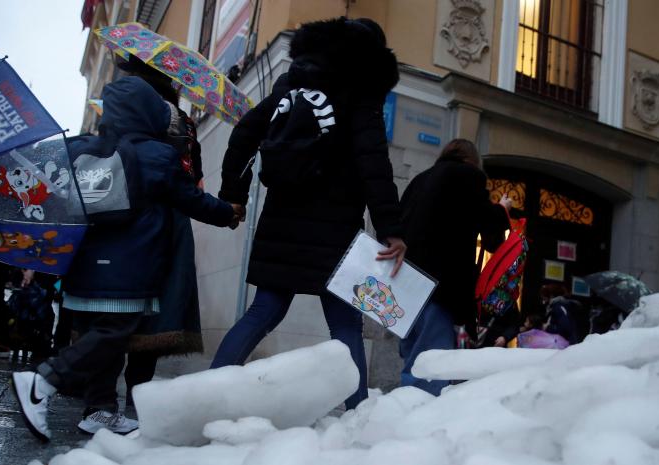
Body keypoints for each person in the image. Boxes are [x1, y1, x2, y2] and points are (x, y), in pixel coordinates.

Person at [12, 76, 241, 442]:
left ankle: (98, 410)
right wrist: (227, 213)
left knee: (99, 336)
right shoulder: (157, 155)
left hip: (82, 267)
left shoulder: (80, 149)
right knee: (114, 334)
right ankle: (43, 380)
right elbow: (190, 200)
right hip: (128, 270)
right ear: (149, 114)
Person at [210, 17, 405, 410]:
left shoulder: (291, 87)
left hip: (280, 220)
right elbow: (373, 163)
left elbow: (245, 132)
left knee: (264, 310)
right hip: (333, 228)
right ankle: (358, 414)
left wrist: (235, 194)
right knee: (345, 323)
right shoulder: (360, 93)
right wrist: (391, 229)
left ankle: (208, 396)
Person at [109, 57, 208, 400]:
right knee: (157, 309)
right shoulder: (184, 123)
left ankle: (97, 394)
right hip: (169, 223)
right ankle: (138, 390)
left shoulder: (123, 110)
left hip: (119, 214)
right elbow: (193, 180)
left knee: (112, 302)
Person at [398, 139, 511, 394]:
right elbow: (487, 222)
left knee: (412, 352)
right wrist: (502, 210)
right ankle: (416, 416)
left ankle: (403, 406)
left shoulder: (419, 180)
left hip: (407, 282)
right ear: (472, 160)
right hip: (441, 282)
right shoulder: (468, 176)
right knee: (431, 358)